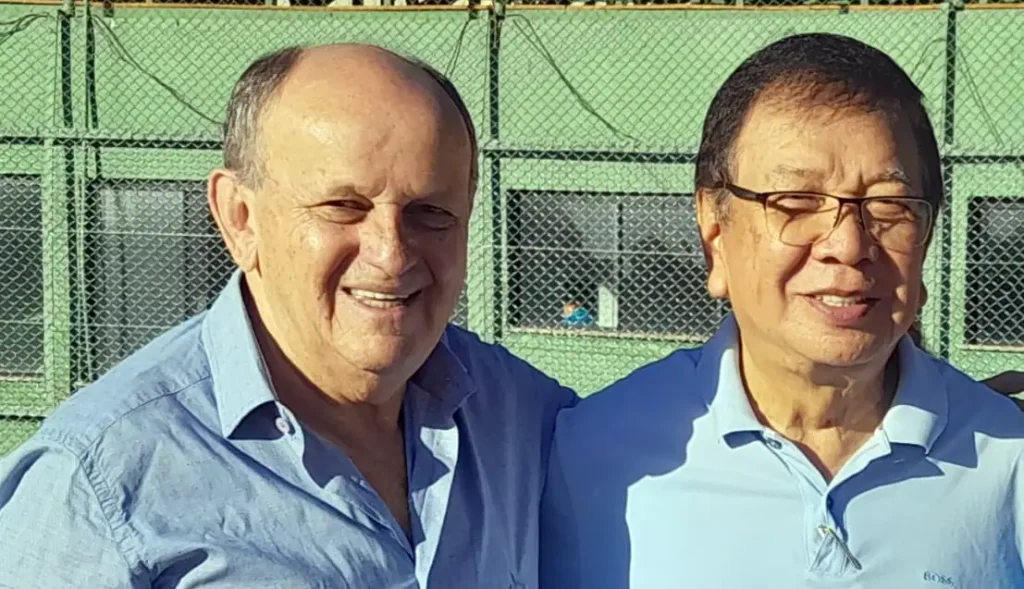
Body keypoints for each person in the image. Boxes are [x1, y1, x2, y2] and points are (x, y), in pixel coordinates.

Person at [0, 43, 575, 588]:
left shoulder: (523, 418)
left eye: (430, 212)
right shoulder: (98, 482)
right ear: (240, 218)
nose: (391, 254)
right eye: (343, 206)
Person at [540, 33, 1024, 588]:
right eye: (796, 203)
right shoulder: (590, 454)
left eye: (889, 207)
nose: (847, 244)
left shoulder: (1008, 459)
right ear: (714, 232)